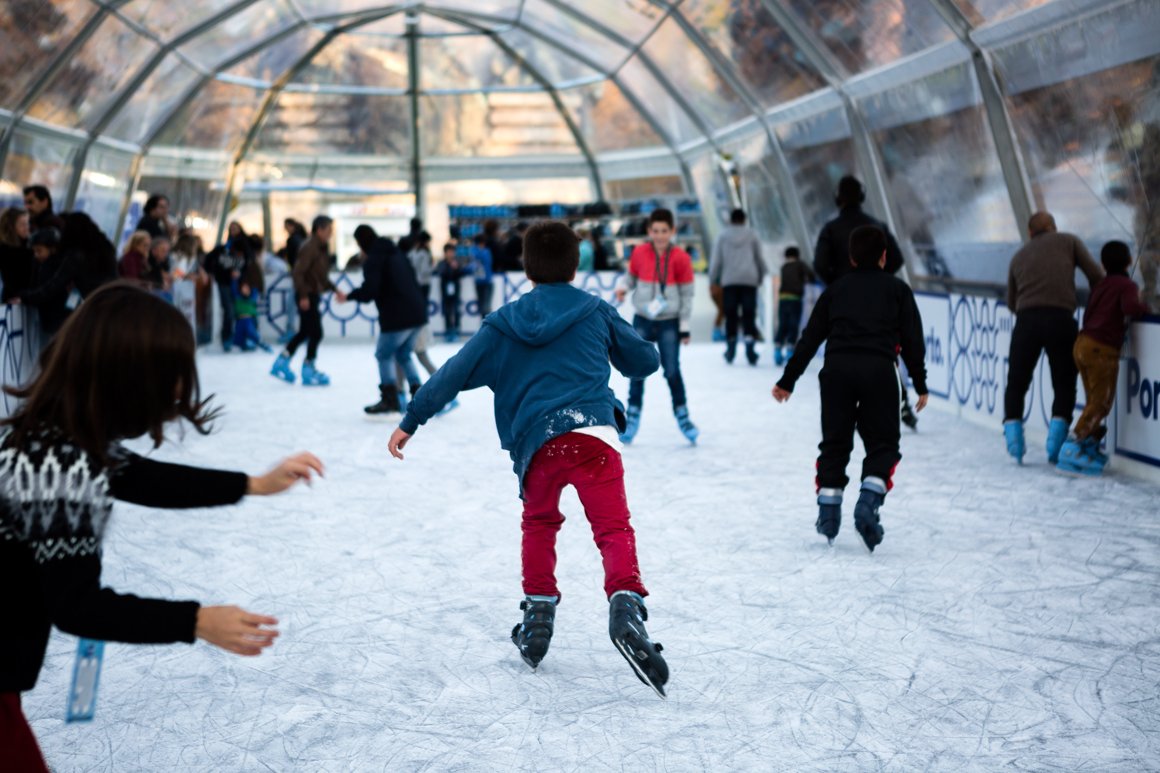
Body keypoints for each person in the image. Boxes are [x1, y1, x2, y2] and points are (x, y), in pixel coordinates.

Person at [0, 283, 324, 772]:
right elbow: (77, 605)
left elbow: (143, 477)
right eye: (169, 376)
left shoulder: (54, 435)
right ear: (128, 377)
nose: (177, 392)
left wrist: (252, 484)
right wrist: (197, 621)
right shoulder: (62, 464)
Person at [386, 221, 669, 696]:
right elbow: (644, 362)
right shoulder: (596, 311)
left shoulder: (503, 324)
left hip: (539, 446)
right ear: (576, 265)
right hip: (595, 435)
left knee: (539, 524)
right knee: (613, 529)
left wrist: (411, 418)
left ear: (525, 266)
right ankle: (624, 603)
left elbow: (453, 372)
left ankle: (538, 614)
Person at [773, 225, 928, 553]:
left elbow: (810, 338)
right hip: (880, 372)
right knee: (883, 443)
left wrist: (788, 380)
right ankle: (868, 502)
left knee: (835, 442)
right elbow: (913, 341)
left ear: (852, 258)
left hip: (837, 372)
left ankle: (828, 515)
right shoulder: (898, 290)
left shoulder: (836, 290)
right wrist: (920, 382)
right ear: (885, 257)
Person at [812, 175, 917, 429]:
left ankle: (846, 409)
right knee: (883, 352)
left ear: (838, 199)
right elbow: (897, 258)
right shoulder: (877, 225)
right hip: (877, 301)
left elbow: (819, 265)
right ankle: (900, 403)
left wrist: (837, 285)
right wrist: (878, 278)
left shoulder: (830, 229)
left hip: (843, 303)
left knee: (842, 353)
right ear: (862, 197)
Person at [1002, 212, 1104, 464]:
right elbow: (1096, 276)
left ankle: (1015, 442)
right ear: (1053, 227)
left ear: (1030, 233)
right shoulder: (1069, 241)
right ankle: (1055, 446)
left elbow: (1011, 302)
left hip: (1026, 322)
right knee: (1064, 382)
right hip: (1061, 319)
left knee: (1017, 381)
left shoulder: (1018, 256)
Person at [1056, 241, 1149, 474]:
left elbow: (1090, 311)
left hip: (1083, 344)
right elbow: (1130, 308)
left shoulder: (1101, 284)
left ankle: (1088, 444)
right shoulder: (1127, 285)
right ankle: (1073, 445)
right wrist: (1145, 307)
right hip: (1101, 348)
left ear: (1103, 264)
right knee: (1101, 403)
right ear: (1129, 261)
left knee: (1093, 401)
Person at [614, 208, 698, 444]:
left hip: (669, 321)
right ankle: (632, 416)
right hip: (643, 318)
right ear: (649, 231)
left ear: (672, 231)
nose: (660, 236)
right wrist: (623, 287)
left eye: (664, 231)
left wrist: (684, 326)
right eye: (656, 231)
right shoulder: (640, 252)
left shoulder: (681, 257)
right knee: (637, 368)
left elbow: (687, 295)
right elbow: (631, 277)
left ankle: (683, 415)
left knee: (671, 370)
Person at [342, 225, 427, 417]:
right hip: (417, 313)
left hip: (398, 316)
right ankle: (418, 396)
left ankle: (390, 399)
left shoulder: (374, 259)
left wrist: (349, 296)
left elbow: (370, 291)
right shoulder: (395, 252)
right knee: (403, 354)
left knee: (383, 353)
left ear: (360, 242)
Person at [271, 215, 343, 386]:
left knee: (305, 332)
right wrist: (303, 296)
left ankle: (282, 362)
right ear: (319, 230)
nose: (331, 234)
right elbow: (298, 273)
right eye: (329, 230)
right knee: (316, 332)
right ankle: (307, 368)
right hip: (307, 295)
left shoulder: (320, 247)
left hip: (311, 294)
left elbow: (320, 275)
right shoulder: (309, 247)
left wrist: (334, 289)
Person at [710, 208, 767, 366]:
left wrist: (713, 280)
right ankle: (750, 349)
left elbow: (716, 261)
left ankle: (731, 348)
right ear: (744, 220)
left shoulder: (722, 236)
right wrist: (761, 276)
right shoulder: (752, 234)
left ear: (731, 220)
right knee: (749, 314)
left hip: (729, 281)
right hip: (750, 280)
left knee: (731, 314)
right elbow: (759, 258)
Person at [204, 222, 254, 351]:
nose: (233, 231)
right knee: (229, 310)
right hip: (224, 282)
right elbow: (209, 260)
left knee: (244, 311)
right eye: (231, 228)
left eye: (236, 228)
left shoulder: (245, 247)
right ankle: (227, 338)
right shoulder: (222, 249)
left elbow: (249, 266)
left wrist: (245, 281)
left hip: (240, 284)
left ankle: (243, 339)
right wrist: (210, 272)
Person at [774, 246, 814, 366]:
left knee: (783, 323)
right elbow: (811, 275)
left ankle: (777, 349)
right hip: (795, 298)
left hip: (783, 298)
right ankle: (790, 349)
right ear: (797, 255)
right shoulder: (800, 264)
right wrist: (807, 281)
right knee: (793, 323)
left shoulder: (784, 267)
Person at [232, 260, 271, 353]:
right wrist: (235, 278)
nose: (245, 290)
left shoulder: (253, 297)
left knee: (250, 330)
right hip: (240, 321)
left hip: (250, 320)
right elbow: (234, 286)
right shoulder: (238, 297)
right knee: (239, 335)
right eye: (243, 288)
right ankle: (244, 344)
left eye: (247, 288)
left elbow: (255, 285)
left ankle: (258, 342)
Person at [435, 243, 470, 342]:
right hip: (445, 291)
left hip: (455, 290)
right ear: (445, 253)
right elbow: (440, 272)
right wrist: (448, 266)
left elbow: (462, 273)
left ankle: (456, 330)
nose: (451, 254)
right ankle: (448, 331)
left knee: (456, 310)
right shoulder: (442, 263)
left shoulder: (457, 262)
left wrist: (457, 268)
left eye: (452, 252)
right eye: (449, 252)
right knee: (447, 311)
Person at [0, 208, 34, 302]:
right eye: (22, 224)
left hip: (29, 297)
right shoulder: (5, 249)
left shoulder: (32, 245)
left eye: (27, 223)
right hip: (14, 299)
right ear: (11, 227)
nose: (27, 227)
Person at [470, 232, 495, 318]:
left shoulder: (476, 252)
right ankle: (485, 324)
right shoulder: (485, 252)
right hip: (484, 281)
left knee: (484, 305)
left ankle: (485, 323)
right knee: (483, 305)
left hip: (482, 281)